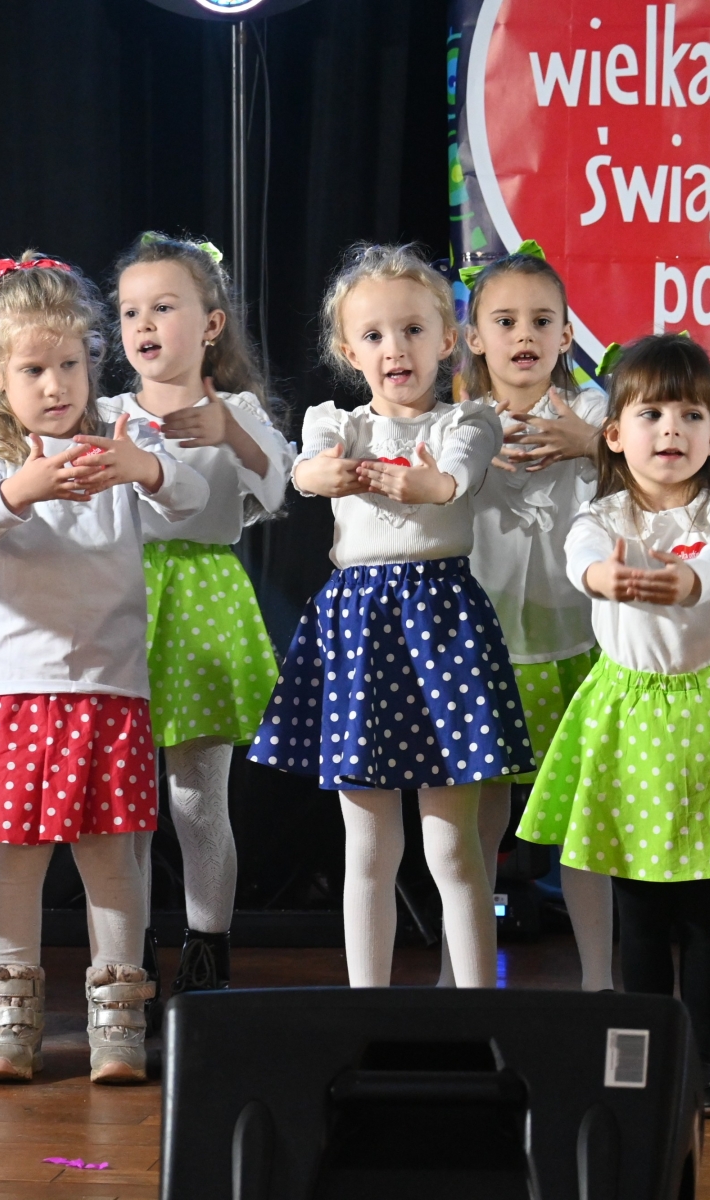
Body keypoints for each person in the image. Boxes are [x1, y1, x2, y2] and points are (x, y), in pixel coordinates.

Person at [516, 333, 710, 1117]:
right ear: (614, 434)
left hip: (707, 716)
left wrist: (685, 580)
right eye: (650, 414)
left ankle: (704, 1068)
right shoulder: (600, 515)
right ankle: (644, 1064)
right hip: (628, 720)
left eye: (690, 415)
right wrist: (603, 575)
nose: (670, 429)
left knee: (704, 913)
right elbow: (581, 557)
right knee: (639, 913)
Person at [0, 252, 206, 1085]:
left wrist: (144, 468)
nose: (54, 385)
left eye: (68, 364)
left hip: (107, 684)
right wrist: (21, 488)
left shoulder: (124, 435)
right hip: (16, 689)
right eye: (33, 370)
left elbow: (192, 499)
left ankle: (117, 1017)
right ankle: (11, 1017)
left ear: (92, 360)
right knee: (15, 856)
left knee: (110, 856)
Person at [249, 243, 534, 989]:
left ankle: (474, 1011)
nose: (394, 349)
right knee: (369, 847)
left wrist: (422, 484)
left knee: (452, 848)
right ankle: (365, 1011)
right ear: (350, 352)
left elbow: (454, 478)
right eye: (373, 335)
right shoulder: (336, 423)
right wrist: (323, 470)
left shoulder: (466, 421)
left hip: (442, 624)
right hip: (359, 629)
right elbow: (305, 470)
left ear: (446, 340)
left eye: (411, 330)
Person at [101, 232, 293, 995]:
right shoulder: (107, 412)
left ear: (211, 324)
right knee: (125, 801)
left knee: (196, 798)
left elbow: (276, 491)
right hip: (116, 598)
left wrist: (232, 435)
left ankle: (206, 954)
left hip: (204, 598)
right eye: (130, 312)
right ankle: (128, 956)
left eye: (163, 307)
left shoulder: (235, 409)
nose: (143, 324)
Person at [458, 247, 615, 991]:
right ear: (474, 337)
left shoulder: (596, 414)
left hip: (573, 643)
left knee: (584, 823)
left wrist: (591, 446)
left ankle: (598, 980)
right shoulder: (461, 422)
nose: (524, 334)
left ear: (565, 335)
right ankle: (463, 974)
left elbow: (661, 472)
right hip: (485, 647)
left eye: (541, 320)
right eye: (505, 320)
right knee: (476, 822)